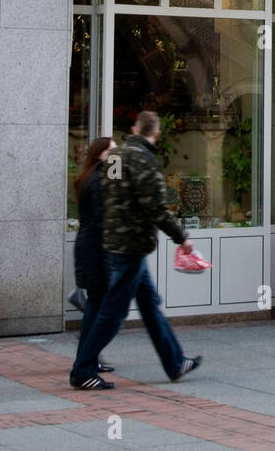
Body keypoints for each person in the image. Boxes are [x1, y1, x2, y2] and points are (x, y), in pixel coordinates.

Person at [69, 110, 202, 390]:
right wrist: (182, 238)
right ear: (156, 133)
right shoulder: (146, 160)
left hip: (118, 243)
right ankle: (82, 370)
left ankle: (175, 362)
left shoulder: (117, 157)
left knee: (149, 305)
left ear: (134, 128)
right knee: (113, 311)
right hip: (132, 245)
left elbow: (111, 193)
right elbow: (156, 208)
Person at [72, 137, 119, 376]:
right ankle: (86, 363)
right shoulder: (97, 182)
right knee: (98, 308)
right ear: (100, 154)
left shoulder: (95, 177)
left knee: (96, 306)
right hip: (97, 250)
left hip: (92, 248)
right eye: (111, 149)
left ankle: (88, 360)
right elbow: (106, 216)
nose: (116, 152)